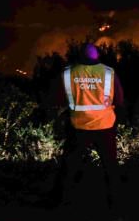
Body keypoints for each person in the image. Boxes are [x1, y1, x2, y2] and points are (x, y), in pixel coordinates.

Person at [48, 42, 125, 209]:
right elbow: (119, 99)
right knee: (110, 165)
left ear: (80, 56)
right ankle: (115, 202)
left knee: (70, 164)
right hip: (105, 126)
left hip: (79, 126)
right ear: (97, 56)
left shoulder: (68, 73)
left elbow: (58, 99)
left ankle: (61, 201)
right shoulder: (108, 73)